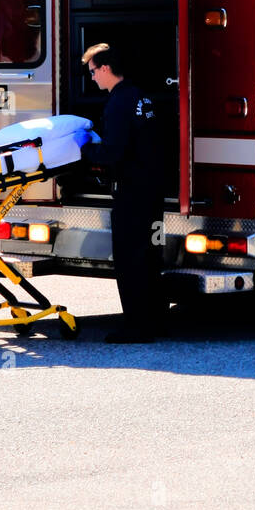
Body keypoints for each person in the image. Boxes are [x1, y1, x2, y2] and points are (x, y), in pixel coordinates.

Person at [83, 43, 166, 343]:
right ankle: (156, 320)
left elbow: (113, 151)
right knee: (149, 257)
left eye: (93, 72)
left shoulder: (118, 102)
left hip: (131, 194)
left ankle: (136, 326)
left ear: (105, 68)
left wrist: (84, 150)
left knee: (130, 260)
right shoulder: (141, 96)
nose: (92, 78)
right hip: (153, 191)